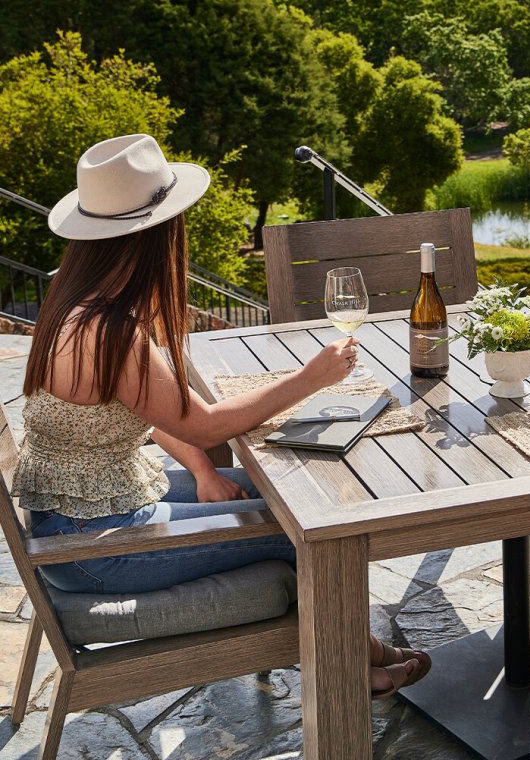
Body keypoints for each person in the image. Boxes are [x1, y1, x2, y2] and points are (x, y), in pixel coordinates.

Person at [12, 133, 430, 698]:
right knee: (305, 529)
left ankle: (354, 655)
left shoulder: (71, 297)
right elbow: (205, 425)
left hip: (88, 511)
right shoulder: (108, 331)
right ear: (154, 235)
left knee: (286, 490)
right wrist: (311, 378)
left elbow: (149, 417)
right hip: (92, 548)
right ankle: (352, 670)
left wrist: (205, 474)